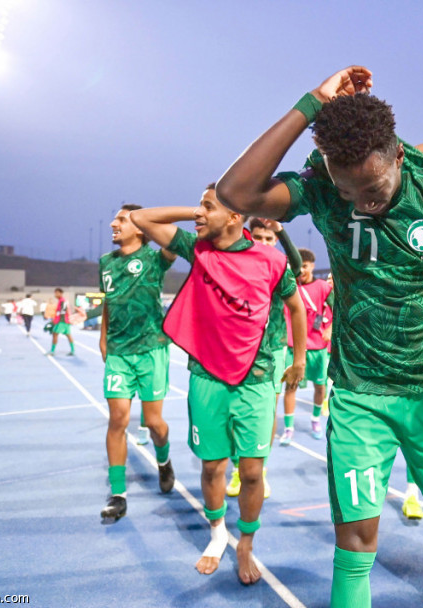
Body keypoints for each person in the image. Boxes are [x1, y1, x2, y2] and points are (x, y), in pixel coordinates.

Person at [216, 68, 423, 608]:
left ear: (400, 156)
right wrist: (313, 103)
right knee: (355, 541)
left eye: (373, 189)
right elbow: (235, 192)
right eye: (346, 190)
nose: (360, 203)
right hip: (357, 394)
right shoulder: (322, 185)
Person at [130, 185, 307, 585]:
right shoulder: (198, 249)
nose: (198, 213)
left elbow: (296, 307)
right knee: (212, 467)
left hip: (256, 379)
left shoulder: (271, 259)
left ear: (234, 216)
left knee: (252, 472)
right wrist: (198, 211)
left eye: (207, 207)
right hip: (207, 376)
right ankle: (217, 534)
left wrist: (298, 361)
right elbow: (141, 219)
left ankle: (246, 543)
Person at [98, 204, 179, 522]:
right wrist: (103, 337)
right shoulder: (106, 262)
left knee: (154, 423)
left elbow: (173, 235)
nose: (112, 223)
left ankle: (164, 460)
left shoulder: (156, 258)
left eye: (121, 219)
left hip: (151, 350)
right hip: (119, 352)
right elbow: (108, 301)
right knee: (117, 419)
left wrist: (152, 217)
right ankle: (118, 494)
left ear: (140, 228)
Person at [225, 217, 303, 500]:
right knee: (231, 410)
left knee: (268, 411)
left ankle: (260, 470)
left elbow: (297, 264)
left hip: (274, 349)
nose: (264, 243)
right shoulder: (238, 263)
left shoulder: (278, 266)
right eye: (259, 237)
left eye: (270, 239)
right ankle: (237, 466)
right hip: (237, 349)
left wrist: (281, 231)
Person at [280, 248, 333, 444]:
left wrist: (331, 328)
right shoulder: (288, 286)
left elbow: (338, 307)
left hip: (318, 348)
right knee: (290, 387)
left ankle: (315, 420)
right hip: (294, 348)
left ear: (312, 266)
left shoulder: (323, 287)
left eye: (305, 266)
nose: (301, 270)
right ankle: (288, 428)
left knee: (320, 387)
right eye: (298, 266)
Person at [47, 288, 76, 356]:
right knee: (68, 335)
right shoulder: (61, 301)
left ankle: (52, 351)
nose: (55, 294)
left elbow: (63, 312)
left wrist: (56, 321)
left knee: (55, 334)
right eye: (55, 293)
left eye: (57, 293)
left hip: (62, 321)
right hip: (64, 321)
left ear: (61, 293)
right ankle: (73, 350)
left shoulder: (63, 301)